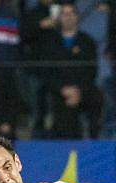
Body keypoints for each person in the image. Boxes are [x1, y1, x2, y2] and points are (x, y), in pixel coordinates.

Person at [38, 2, 103, 139]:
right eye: (64, 14)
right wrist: (63, 89)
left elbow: (91, 71)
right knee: (57, 106)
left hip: (83, 89)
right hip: (59, 91)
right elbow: (47, 73)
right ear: (59, 17)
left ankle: (94, 143)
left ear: (77, 17)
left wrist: (78, 90)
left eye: (71, 13)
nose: (68, 17)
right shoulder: (50, 42)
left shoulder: (87, 41)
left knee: (97, 98)